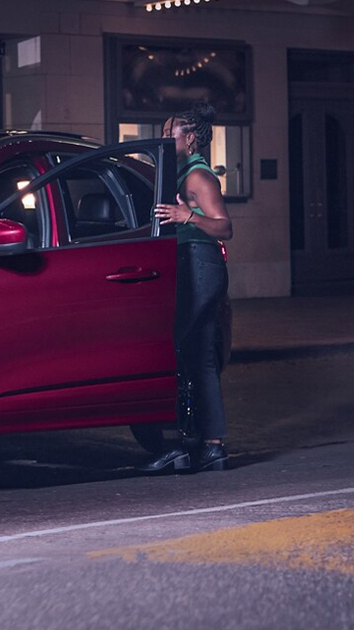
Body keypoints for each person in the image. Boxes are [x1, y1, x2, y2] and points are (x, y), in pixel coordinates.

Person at [141, 101, 233, 474]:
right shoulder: (179, 173)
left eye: (169, 133)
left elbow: (225, 227)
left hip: (199, 265)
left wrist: (187, 215)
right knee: (199, 357)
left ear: (190, 138)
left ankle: (176, 443)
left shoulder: (198, 178)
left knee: (173, 350)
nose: (164, 138)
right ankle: (212, 446)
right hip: (192, 264)